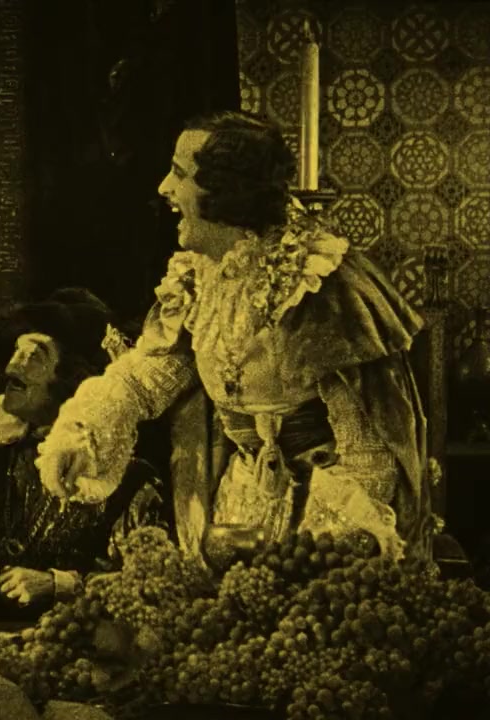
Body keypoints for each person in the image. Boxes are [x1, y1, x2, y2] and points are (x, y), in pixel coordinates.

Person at [35, 111, 434, 564]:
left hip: (323, 517)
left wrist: (322, 550)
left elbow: (370, 452)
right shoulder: (200, 277)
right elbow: (148, 377)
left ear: (225, 192)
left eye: (180, 173)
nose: (164, 187)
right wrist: (82, 434)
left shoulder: (315, 284)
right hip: (239, 508)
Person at [0, 288, 169, 621]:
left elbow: (149, 585)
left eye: (35, 355)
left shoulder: (127, 479)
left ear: (75, 381)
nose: (11, 366)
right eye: (16, 351)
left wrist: (59, 585)